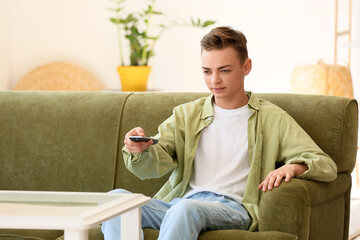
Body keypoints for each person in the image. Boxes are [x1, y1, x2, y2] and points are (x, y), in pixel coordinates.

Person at [101, 26, 337, 240]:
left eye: (224, 70)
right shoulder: (187, 115)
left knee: (185, 210)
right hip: (182, 203)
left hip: (234, 209)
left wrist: (293, 167)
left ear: (246, 67)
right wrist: (140, 149)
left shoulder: (272, 118)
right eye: (207, 71)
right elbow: (152, 164)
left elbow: (325, 165)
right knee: (116, 201)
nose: (214, 80)